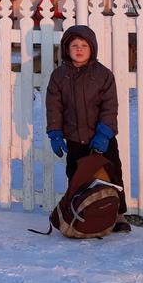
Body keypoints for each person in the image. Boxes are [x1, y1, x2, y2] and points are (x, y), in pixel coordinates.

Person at [44, 24, 130, 232]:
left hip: (102, 138)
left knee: (112, 175)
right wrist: (55, 133)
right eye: (74, 45)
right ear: (67, 48)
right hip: (75, 140)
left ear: (92, 48)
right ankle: (78, 212)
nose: (79, 49)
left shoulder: (103, 75)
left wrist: (104, 133)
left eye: (84, 45)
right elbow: (54, 107)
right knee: (76, 177)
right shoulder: (59, 76)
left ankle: (118, 215)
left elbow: (110, 107)